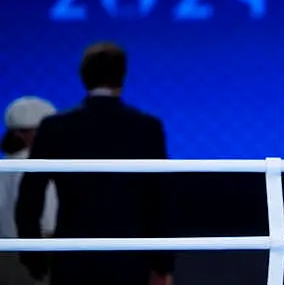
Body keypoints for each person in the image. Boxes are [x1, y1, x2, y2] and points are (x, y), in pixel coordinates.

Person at [15, 42, 174, 285]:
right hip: (129, 260)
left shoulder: (55, 127)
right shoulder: (146, 128)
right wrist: (162, 264)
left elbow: (29, 197)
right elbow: (160, 199)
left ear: (83, 77)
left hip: (72, 258)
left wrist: (33, 257)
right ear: (122, 77)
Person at [0, 96, 57, 285]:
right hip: (40, 252)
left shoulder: (5, 166)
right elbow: (49, 220)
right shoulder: (41, 166)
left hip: (6, 254)